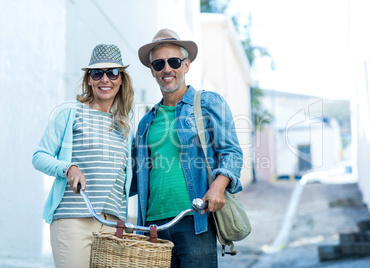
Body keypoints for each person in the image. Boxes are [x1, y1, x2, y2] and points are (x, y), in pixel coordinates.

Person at [133, 29, 244, 267]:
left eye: (174, 61)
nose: (167, 69)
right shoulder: (146, 123)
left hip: (195, 220)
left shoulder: (208, 103)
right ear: (152, 70)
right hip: (153, 227)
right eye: (159, 63)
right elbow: (132, 175)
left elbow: (232, 152)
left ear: (186, 65)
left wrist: (218, 186)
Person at [32, 44, 135, 268]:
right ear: (89, 79)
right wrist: (68, 168)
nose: (105, 79)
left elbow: (126, 180)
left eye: (112, 72)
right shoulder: (70, 112)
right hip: (72, 220)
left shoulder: (125, 127)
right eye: (97, 73)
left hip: (111, 225)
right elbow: (39, 156)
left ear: (121, 79)